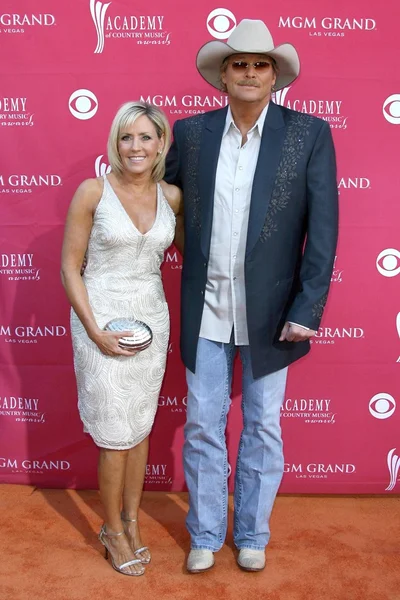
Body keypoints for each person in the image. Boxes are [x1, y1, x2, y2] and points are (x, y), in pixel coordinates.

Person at [165, 19, 338, 573]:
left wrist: (308, 308)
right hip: (205, 308)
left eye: (260, 64)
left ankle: (252, 534)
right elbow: (161, 202)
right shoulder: (189, 133)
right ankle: (206, 533)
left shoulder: (308, 134)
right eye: (238, 63)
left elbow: (324, 229)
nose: (249, 72)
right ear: (222, 74)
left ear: (274, 76)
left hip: (274, 313)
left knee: (263, 425)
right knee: (200, 423)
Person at [61, 101, 183, 576]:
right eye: (126, 137)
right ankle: (111, 529)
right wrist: (94, 330)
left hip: (152, 319)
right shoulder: (93, 191)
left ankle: (131, 521)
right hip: (101, 320)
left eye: (145, 137)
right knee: (114, 435)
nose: (136, 146)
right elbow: (70, 267)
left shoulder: (171, 196)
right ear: (116, 142)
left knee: (139, 428)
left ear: (160, 144)